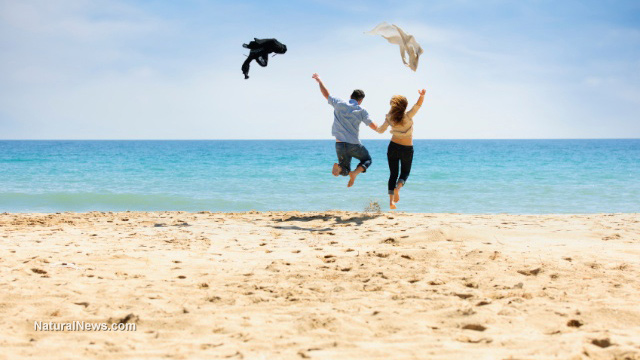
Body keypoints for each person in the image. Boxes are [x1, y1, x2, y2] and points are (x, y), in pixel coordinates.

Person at [311, 73, 378, 187]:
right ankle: (355, 173)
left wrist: (320, 81)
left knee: (344, 170)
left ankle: (340, 168)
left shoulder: (339, 103)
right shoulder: (361, 109)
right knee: (367, 160)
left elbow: (326, 94)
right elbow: (373, 126)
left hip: (340, 144)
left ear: (351, 95)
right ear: (360, 100)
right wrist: (385, 126)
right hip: (354, 145)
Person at [376, 89, 426, 209]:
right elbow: (417, 106)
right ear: (405, 106)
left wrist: (371, 124)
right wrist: (422, 95)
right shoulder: (408, 116)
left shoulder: (389, 118)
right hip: (407, 148)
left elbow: (381, 130)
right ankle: (398, 188)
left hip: (393, 147)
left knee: (393, 174)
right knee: (405, 173)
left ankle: (391, 202)